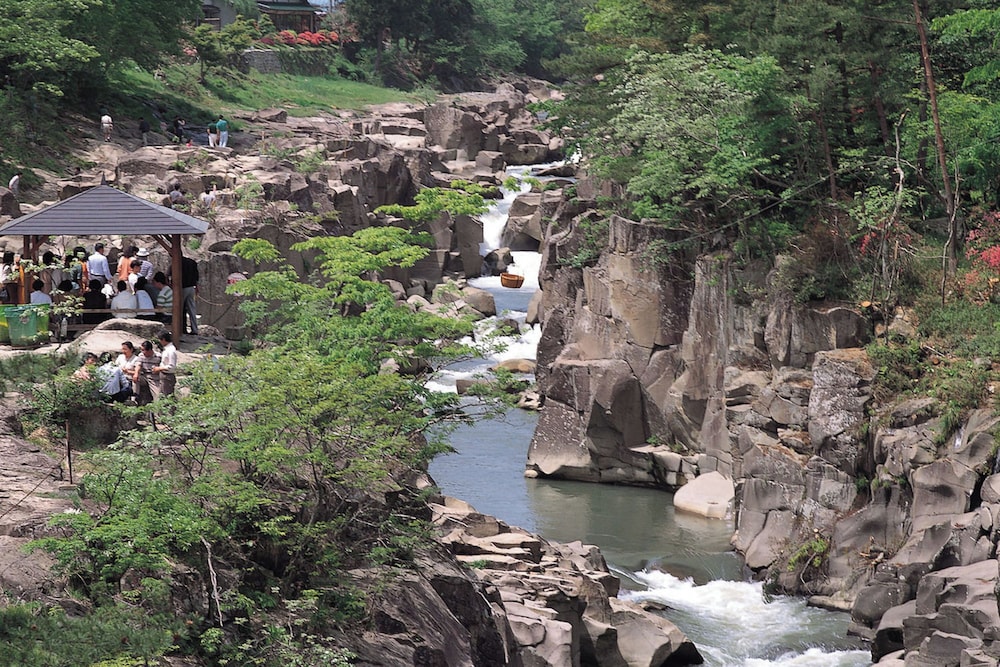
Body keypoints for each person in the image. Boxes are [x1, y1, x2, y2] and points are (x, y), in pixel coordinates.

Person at [152, 331, 177, 398]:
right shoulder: (167, 349)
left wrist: (159, 368)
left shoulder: (171, 350)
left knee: (167, 397)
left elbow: (172, 366)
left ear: (163, 339)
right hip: (163, 375)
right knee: (162, 396)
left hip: (168, 376)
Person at [136, 340, 161, 404]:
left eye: (144, 350)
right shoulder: (141, 355)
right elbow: (138, 365)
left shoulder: (158, 356)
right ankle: (135, 397)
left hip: (154, 378)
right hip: (144, 376)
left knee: (157, 396)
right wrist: (136, 373)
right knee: (135, 378)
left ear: (150, 350)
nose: (142, 352)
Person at [180, 255, 199, 335]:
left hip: (182, 288)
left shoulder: (178, 262)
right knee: (192, 309)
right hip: (191, 287)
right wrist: (197, 287)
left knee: (180, 309)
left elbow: (169, 275)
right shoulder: (192, 262)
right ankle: (195, 329)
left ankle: (181, 329)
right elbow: (197, 276)